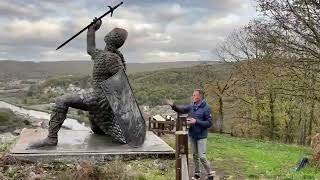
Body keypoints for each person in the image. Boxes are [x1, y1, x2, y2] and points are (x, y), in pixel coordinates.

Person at [28, 17, 128, 148]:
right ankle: (103, 126)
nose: (108, 34)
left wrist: (109, 98)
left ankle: (51, 138)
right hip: (97, 97)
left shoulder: (112, 59)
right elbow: (90, 49)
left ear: (111, 38)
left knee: (62, 101)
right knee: (97, 130)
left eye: (111, 33)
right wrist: (92, 29)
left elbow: (122, 82)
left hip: (100, 98)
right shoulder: (101, 55)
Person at [164, 89, 215, 180]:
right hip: (192, 134)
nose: (193, 96)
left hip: (202, 136)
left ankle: (210, 174)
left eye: (194, 95)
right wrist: (173, 105)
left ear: (200, 96)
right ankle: (197, 174)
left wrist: (196, 121)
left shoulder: (206, 108)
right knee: (195, 155)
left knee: (202, 156)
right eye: (193, 95)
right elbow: (182, 109)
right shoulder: (192, 106)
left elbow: (209, 123)